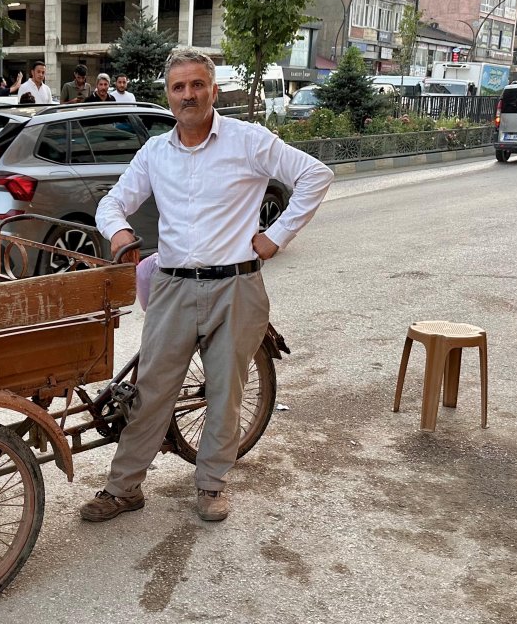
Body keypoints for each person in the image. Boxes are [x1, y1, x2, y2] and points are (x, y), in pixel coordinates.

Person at [81, 48, 334, 523]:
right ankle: (124, 488)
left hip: (236, 286)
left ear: (214, 90)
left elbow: (315, 176)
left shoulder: (248, 141)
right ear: (169, 96)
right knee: (151, 390)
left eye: (198, 85)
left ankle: (212, 484)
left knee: (224, 390)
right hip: (173, 286)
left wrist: (275, 237)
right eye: (179, 87)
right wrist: (119, 233)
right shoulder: (155, 152)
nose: (188, 95)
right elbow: (113, 202)